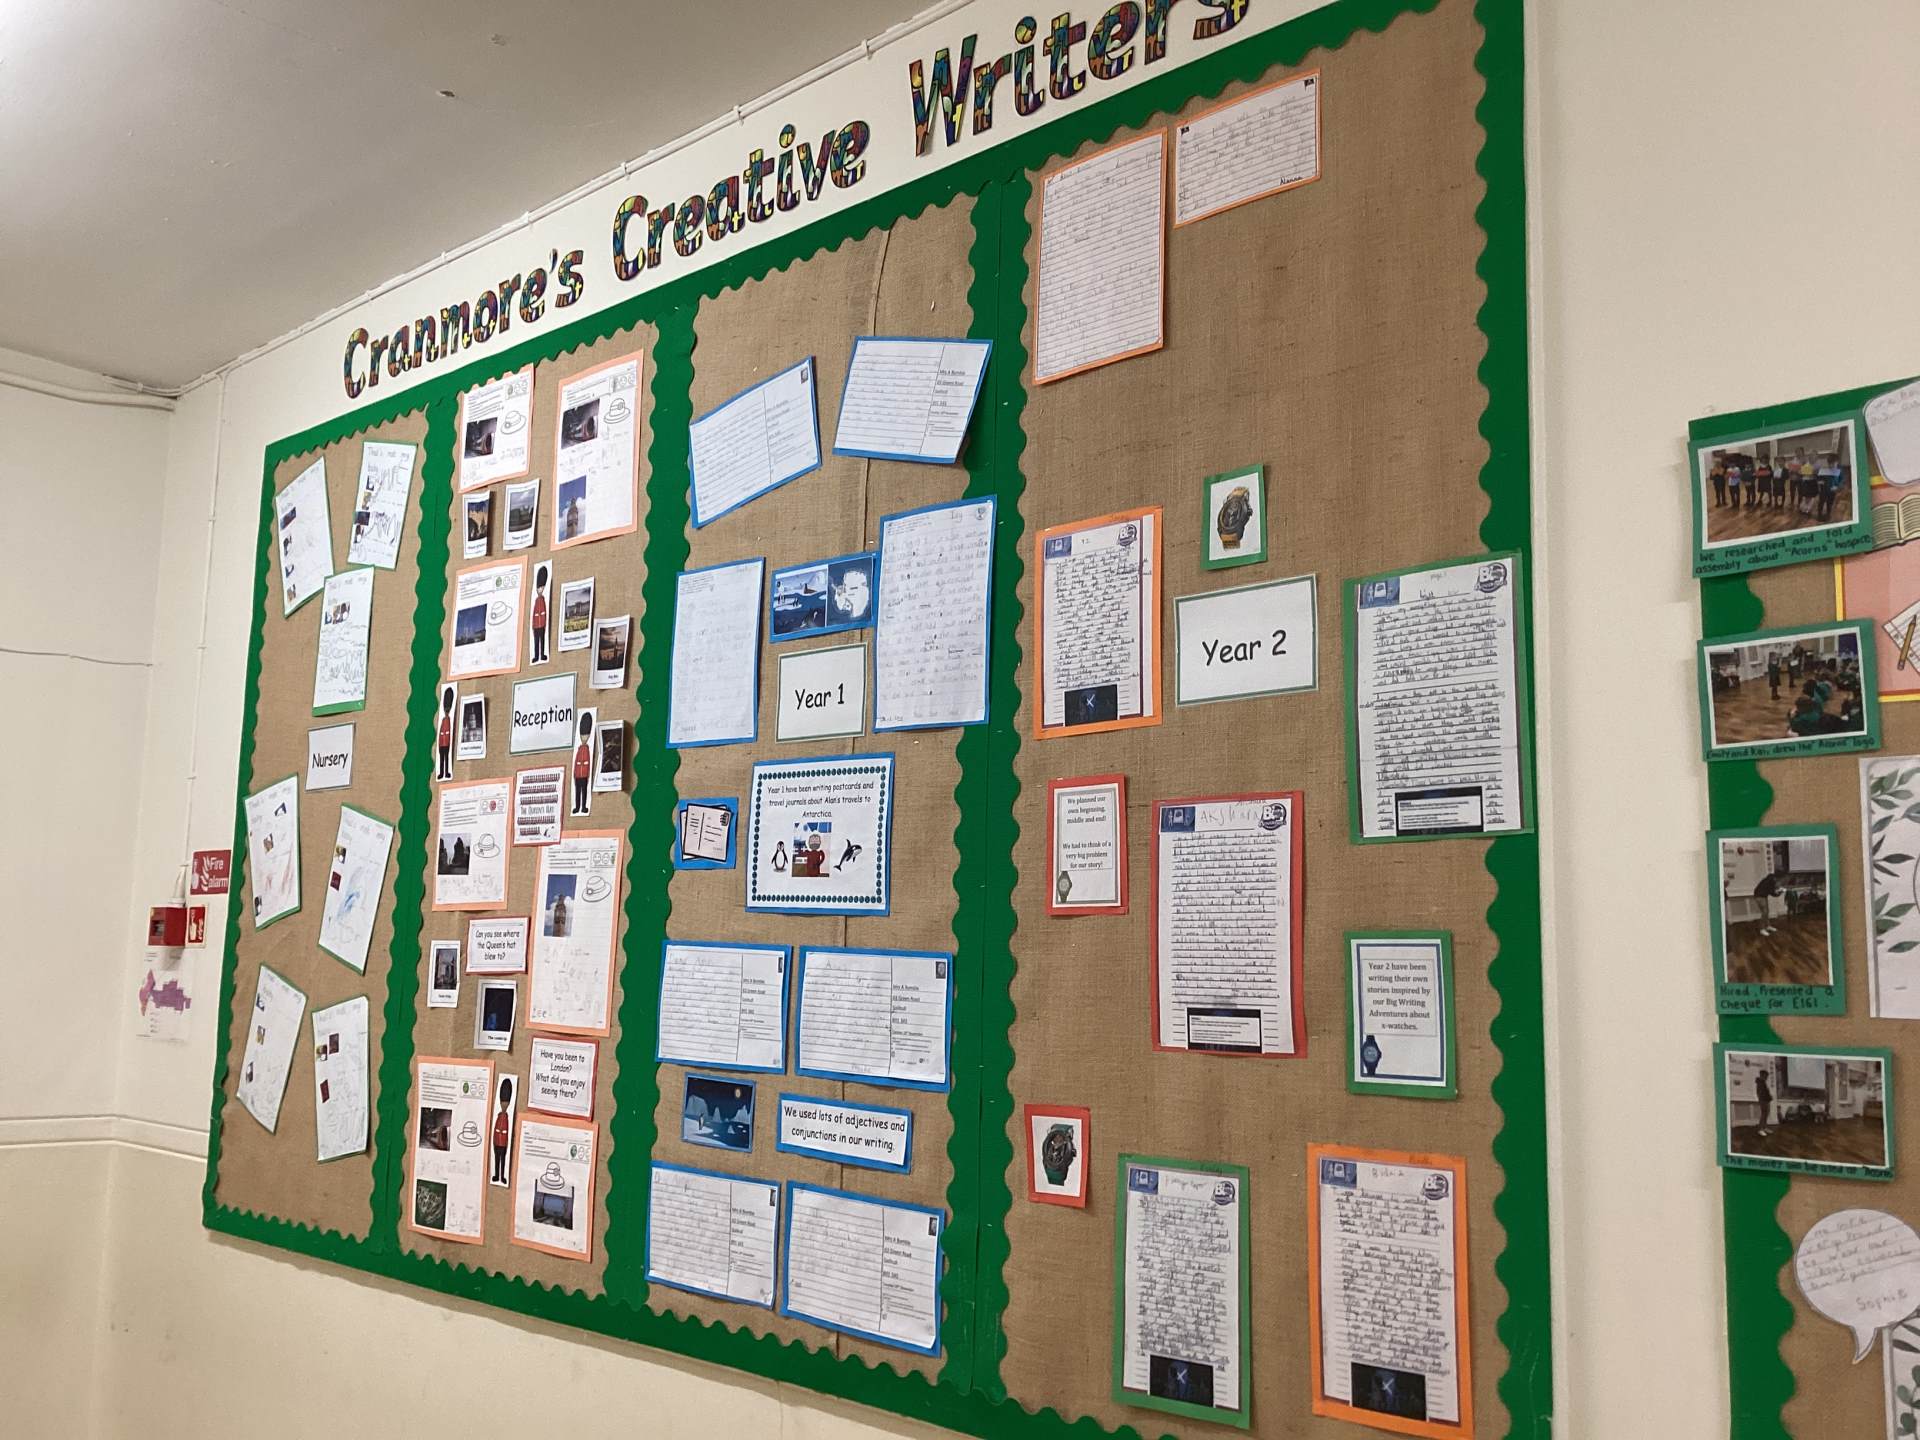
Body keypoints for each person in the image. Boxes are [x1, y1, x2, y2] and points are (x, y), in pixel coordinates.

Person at [491, 1078, 512, 1185]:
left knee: (502, 1160)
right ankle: (497, 1175)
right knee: (497, 1160)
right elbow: (497, 1130)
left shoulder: (505, 1117)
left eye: (506, 1103)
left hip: (502, 1144)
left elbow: (504, 1131)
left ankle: (502, 1176)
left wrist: (502, 1135)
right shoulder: (500, 1116)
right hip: (497, 1143)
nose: (504, 1105)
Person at [572, 712, 593, 817]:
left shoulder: (586, 750)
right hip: (578, 776)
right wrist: (575, 774)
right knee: (577, 792)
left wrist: (587, 773)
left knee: (584, 792)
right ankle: (577, 807)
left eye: (586, 736)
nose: (584, 738)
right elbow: (576, 762)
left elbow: (587, 763)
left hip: (584, 775)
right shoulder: (579, 749)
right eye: (582, 736)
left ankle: (583, 806)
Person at [530, 564, 550, 664]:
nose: (541, 590)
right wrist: (533, 626)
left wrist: (543, 622)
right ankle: (536, 656)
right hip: (536, 626)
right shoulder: (536, 601)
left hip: (541, 625)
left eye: (542, 588)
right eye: (539, 588)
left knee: (542, 640)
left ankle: (542, 655)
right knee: (536, 641)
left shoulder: (542, 600)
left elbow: (544, 612)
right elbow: (534, 614)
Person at [437, 685, 454, 780]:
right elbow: (441, 732)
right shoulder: (444, 720)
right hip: (442, 744)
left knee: (446, 758)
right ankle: (441, 772)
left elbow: (447, 732)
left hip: (445, 743)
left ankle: (446, 772)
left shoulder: (448, 720)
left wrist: (445, 740)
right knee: (442, 759)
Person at [1755, 1066, 1773, 1137]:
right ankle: (1760, 1129)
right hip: (1763, 1101)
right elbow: (1761, 1093)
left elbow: (1765, 1092)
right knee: (1764, 1114)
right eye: (1766, 1076)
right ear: (1762, 1075)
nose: (1767, 1077)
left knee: (1766, 1114)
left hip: (1766, 1100)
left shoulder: (1763, 1082)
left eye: (1767, 1076)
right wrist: (1767, 1098)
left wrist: (1769, 1097)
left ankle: (1764, 1128)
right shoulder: (1760, 1083)